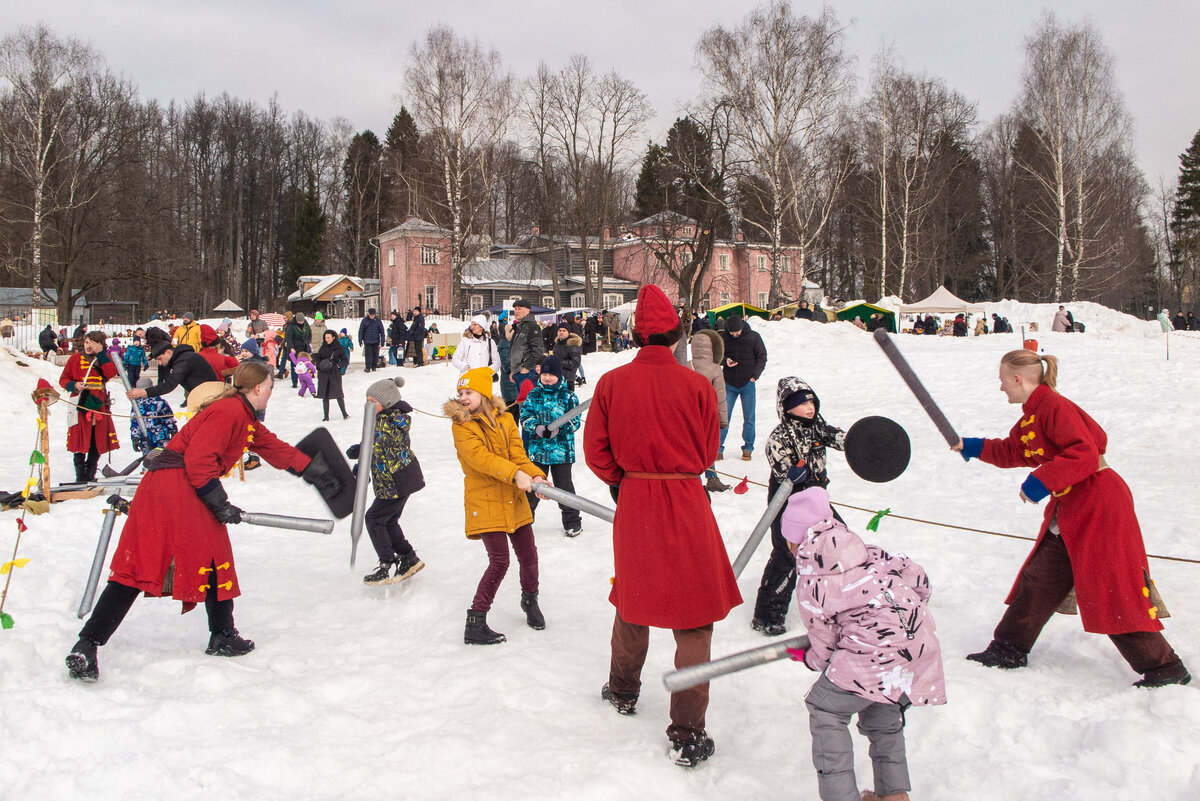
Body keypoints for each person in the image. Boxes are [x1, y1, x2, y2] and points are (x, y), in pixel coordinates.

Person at [66, 361, 343, 682]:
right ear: (257, 388)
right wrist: (219, 503)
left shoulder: (242, 414)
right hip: (174, 487)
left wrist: (313, 470)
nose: (271, 392)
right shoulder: (229, 412)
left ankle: (222, 634)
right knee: (142, 563)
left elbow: (272, 447)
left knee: (211, 555)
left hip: (182, 486)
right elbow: (199, 461)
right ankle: (88, 644)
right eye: (270, 387)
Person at [952, 349, 1190, 688]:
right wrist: (971, 446)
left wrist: (1040, 481)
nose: (1001, 387)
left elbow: (1085, 454)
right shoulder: (1034, 414)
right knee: (1040, 577)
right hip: (1072, 508)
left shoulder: (1055, 408)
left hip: (1099, 505)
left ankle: (1165, 668)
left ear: (1017, 379)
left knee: (1111, 588)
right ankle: (1008, 649)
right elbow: (1013, 450)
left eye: (1003, 380)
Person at [583, 284, 742, 769]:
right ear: (676, 335)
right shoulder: (696, 385)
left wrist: (624, 480)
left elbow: (595, 451)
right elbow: (708, 450)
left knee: (633, 600)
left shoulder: (612, 383)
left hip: (637, 502)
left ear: (635, 335)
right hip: (686, 501)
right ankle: (687, 731)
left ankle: (622, 690)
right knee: (694, 616)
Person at [781, 486, 945, 801]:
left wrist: (807, 657)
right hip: (914, 644)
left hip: (873, 651)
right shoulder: (868, 551)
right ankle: (895, 795)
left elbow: (825, 647)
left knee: (825, 708)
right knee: (882, 710)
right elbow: (918, 578)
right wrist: (901, 613)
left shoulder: (812, 579)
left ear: (793, 541)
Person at [443, 367, 547, 645]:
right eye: (461, 392)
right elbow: (481, 459)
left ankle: (530, 600)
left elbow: (517, 454)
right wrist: (516, 474)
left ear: (484, 393)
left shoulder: (506, 419)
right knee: (499, 561)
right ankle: (475, 621)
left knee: (529, 556)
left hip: (513, 498)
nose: (463, 397)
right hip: (485, 499)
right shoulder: (462, 425)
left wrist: (535, 475)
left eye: (469, 392)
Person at [753, 377, 846, 636]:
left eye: (811, 402)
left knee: (840, 543)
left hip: (816, 498)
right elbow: (780, 465)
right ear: (787, 407)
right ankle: (767, 616)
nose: (809, 407)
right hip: (787, 501)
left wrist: (863, 441)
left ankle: (844, 604)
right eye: (802, 403)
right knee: (786, 554)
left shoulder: (818, 428)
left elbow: (841, 439)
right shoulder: (779, 436)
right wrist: (791, 474)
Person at [348, 377, 426, 585]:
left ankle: (386, 563)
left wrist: (362, 452)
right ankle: (408, 557)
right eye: (366, 400)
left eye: (373, 401)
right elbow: (376, 444)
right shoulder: (384, 419)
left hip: (397, 480)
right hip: (398, 479)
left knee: (374, 519)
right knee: (388, 520)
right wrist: (362, 450)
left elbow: (380, 443)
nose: (368, 405)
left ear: (387, 402)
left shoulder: (389, 422)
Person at [520, 355, 583, 538]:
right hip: (538, 451)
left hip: (561, 452)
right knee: (532, 487)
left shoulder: (569, 396)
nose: (547, 378)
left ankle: (572, 522)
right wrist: (537, 428)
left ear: (559, 375)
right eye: (544, 374)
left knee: (564, 488)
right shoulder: (534, 395)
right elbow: (525, 417)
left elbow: (575, 421)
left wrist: (559, 428)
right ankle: (524, 521)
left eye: (551, 375)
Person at [59, 331, 120, 483]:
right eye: (87, 342)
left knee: (96, 438)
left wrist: (101, 354)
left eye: (92, 344)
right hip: (81, 402)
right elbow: (63, 379)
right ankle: (80, 476)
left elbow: (111, 373)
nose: (88, 346)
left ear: (99, 345)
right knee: (80, 438)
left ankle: (91, 472)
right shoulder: (75, 358)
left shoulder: (104, 358)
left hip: (99, 403)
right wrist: (74, 385)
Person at [718, 314, 767, 461]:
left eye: (737, 332)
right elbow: (717, 356)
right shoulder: (723, 338)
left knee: (749, 417)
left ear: (742, 327)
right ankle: (718, 448)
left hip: (748, 383)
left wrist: (755, 376)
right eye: (732, 332)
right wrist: (725, 360)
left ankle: (748, 448)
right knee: (724, 417)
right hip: (729, 383)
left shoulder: (754, 337)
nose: (735, 335)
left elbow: (762, 357)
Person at [688, 328, 729, 493]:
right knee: (707, 447)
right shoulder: (715, 369)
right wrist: (723, 420)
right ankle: (711, 478)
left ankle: (697, 481)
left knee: (693, 448)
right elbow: (720, 397)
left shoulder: (685, 365)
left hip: (688, 415)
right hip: (707, 416)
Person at [508, 299, 544, 404]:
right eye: (515, 309)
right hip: (518, 371)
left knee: (527, 404)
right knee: (521, 403)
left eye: (519, 309)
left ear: (527, 311)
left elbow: (538, 350)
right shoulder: (519, 326)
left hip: (528, 373)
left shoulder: (532, 327)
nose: (516, 311)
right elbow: (517, 350)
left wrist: (527, 368)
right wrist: (514, 370)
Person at [129, 377, 178, 453]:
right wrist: (135, 438)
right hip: (147, 438)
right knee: (152, 457)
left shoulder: (159, 403)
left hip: (160, 437)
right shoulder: (137, 405)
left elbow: (168, 418)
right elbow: (135, 422)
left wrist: (173, 431)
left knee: (159, 456)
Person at [316, 330, 349, 420]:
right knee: (325, 395)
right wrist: (319, 367)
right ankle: (326, 416)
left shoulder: (339, 348)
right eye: (325, 338)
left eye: (328, 337)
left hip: (334, 373)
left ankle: (344, 413)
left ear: (333, 337)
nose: (326, 339)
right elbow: (318, 358)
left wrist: (339, 366)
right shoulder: (323, 347)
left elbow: (345, 359)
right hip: (324, 373)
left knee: (338, 393)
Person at [282, 313, 312, 386]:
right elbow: (288, 338)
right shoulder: (291, 326)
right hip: (295, 347)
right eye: (299, 321)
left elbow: (309, 334)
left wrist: (309, 342)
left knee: (304, 364)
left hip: (304, 347)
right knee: (294, 365)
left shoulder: (306, 325)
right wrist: (291, 347)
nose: (301, 322)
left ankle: (305, 380)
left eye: (302, 321)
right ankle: (294, 382)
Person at [551, 324, 582, 392]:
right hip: (556, 377)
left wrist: (559, 362)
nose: (561, 332)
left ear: (568, 332)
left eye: (564, 330)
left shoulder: (572, 345)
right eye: (559, 330)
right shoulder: (557, 344)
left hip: (568, 380)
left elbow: (576, 363)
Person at [358, 308, 385, 372]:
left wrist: (382, 340)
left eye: (373, 315)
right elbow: (361, 330)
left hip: (376, 341)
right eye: (371, 315)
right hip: (367, 341)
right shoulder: (364, 321)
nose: (372, 316)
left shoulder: (378, 321)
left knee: (375, 355)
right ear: (369, 314)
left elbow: (382, 331)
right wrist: (360, 340)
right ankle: (368, 367)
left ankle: (374, 367)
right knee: (368, 355)